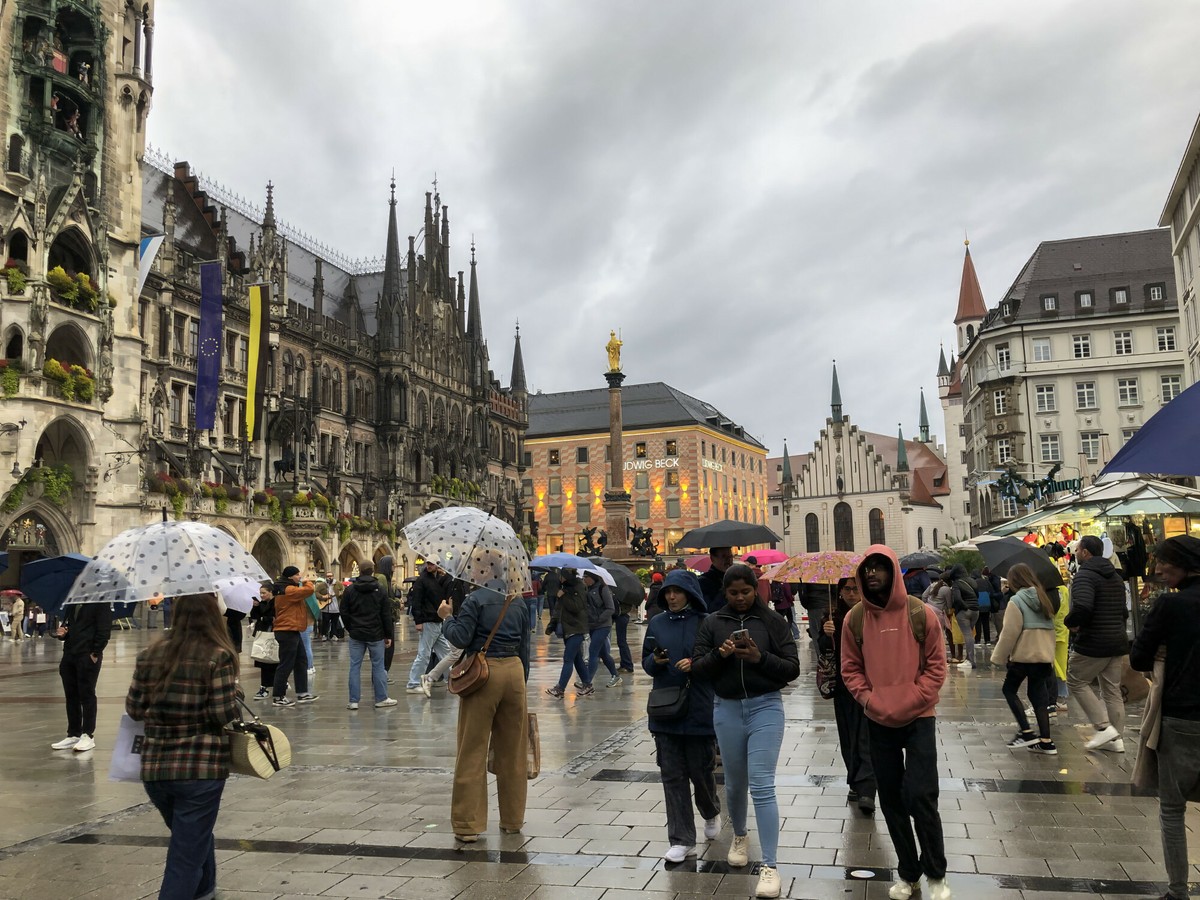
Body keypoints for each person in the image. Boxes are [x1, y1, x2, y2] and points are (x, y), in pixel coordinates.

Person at [840, 545, 950, 900]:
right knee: (890, 799)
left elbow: (936, 666)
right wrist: (870, 699)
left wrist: (917, 697)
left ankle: (935, 873)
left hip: (919, 717)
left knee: (921, 796)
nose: (872, 574)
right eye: (867, 568)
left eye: (879, 567)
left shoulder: (922, 614)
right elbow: (850, 668)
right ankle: (909, 872)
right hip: (878, 719)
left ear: (892, 571)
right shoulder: (855, 619)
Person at [691, 564, 800, 900]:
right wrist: (719, 654)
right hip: (727, 708)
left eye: (746, 592)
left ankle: (770, 866)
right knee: (735, 783)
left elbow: (792, 669)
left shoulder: (772, 622)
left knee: (762, 783)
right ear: (725, 593)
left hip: (765, 707)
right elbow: (697, 669)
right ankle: (739, 835)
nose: (740, 598)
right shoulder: (712, 622)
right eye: (734, 593)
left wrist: (759, 657)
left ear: (756, 590)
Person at [125, 593, 240, 900]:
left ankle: (206, 892)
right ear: (212, 615)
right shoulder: (218, 655)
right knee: (185, 857)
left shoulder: (150, 654)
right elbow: (223, 714)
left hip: (156, 770)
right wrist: (234, 693)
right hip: (199, 769)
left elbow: (134, 709)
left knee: (193, 837)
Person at [1129, 535, 1200, 900]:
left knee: (1172, 809)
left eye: (1164, 562)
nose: (1157, 569)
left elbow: (1139, 660)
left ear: (1186, 563)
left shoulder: (1171, 608)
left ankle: (1177, 892)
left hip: (1182, 718)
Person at [438, 580, 530, 842]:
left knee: (472, 748)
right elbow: (525, 646)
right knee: (513, 750)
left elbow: (461, 637)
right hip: (514, 671)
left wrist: (446, 618)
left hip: (484, 673)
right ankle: (512, 819)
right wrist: (521, 680)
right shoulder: (518, 600)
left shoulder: (475, 600)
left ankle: (468, 825)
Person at [642, 569, 720, 862]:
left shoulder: (707, 622)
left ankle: (711, 809)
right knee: (672, 774)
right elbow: (647, 662)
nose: (672, 597)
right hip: (666, 707)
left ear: (689, 593)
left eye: (677, 592)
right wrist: (657, 660)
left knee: (701, 771)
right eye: (667, 593)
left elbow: (716, 661)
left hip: (698, 705)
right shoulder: (657, 623)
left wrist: (697, 664)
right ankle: (682, 838)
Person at [1065, 534, 1130, 752]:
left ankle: (1103, 728)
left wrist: (1071, 623)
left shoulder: (1085, 576)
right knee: (1112, 690)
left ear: (1085, 552)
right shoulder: (1116, 577)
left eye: (1077, 550)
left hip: (1094, 641)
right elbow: (1123, 611)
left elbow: (1082, 607)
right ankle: (1116, 740)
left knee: (1075, 680)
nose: (1075, 553)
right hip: (1117, 640)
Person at [819, 576, 876, 815]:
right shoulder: (831, 618)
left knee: (865, 736)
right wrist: (825, 634)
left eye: (856, 589)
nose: (852, 593)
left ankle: (867, 788)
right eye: (847, 589)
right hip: (843, 686)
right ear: (840, 592)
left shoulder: (871, 615)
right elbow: (823, 652)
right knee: (848, 735)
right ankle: (855, 779)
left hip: (869, 685)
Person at [990, 563, 1058, 755]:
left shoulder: (1016, 601)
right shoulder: (1043, 597)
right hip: (1043, 656)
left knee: (1009, 690)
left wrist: (998, 658)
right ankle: (1046, 741)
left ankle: (1027, 732)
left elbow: (1009, 633)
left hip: (1024, 657)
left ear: (1014, 581)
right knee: (1038, 697)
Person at [51, 599, 112, 753]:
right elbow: (70, 627)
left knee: (87, 694)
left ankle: (88, 734)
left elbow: (104, 630)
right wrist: (63, 634)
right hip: (70, 654)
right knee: (71, 695)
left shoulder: (101, 603)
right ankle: (73, 733)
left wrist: (95, 652)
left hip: (87, 655)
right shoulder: (73, 603)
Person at [340, 561, 396, 710]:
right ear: (372, 571)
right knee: (378, 666)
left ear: (360, 571)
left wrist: (350, 627)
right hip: (376, 634)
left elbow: (344, 611)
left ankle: (353, 701)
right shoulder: (381, 589)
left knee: (354, 666)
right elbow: (386, 614)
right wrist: (388, 634)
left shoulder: (350, 590)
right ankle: (381, 698)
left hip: (356, 633)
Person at [271, 566, 318, 707]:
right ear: (291, 577)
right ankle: (278, 696)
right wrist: (307, 582)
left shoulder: (286, 587)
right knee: (286, 664)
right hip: (286, 630)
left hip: (293, 629)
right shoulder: (288, 590)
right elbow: (309, 590)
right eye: (297, 575)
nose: (299, 577)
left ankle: (302, 693)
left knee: (301, 660)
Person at [407, 561, 455, 695]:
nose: (429, 566)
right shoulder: (422, 580)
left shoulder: (437, 578)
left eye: (432, 564)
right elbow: (416, 601)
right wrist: (418, 621)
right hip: (429, 620)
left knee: (446, 653)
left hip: (438, 620)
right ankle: (413, 683)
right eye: (428, 564)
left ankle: (452, 680)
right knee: (424, 653)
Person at [545, 567, 591, 698]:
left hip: (576, 628)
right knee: (577, 659)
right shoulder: (565, 588)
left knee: (568, 659)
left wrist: (563, 596)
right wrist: (552, 624)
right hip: (567, 628)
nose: (559, 577)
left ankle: (560, 688)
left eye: (561, 575)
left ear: (566, 576)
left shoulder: (578, 587)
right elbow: (558, 609)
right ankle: (587, 684)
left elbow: (577, 607)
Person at [581, 570, 621, 689]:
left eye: (586, 577)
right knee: (603, 653)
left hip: (603, 625)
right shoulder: (586, 589)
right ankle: (615, 675)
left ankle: (587, 681)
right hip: (592, 625)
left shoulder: (603, 589)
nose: (584, 579)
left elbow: (610, 608)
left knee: (593, 652)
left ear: (592, 578)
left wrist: (599, 618)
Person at [248, 582, 277, 700]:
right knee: (264, 661)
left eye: (264, 593)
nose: (262, 595)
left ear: (271, 592)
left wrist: (263, 618)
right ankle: (265, 686)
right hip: (262, 634)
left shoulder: (276, 603)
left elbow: (274, 618)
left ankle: (273, 684)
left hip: (272, 634)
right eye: (260, 593)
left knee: (273, 660)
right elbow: (254, 616)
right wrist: (255, 606)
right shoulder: (261, 603)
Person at [949, 566, 979, 670]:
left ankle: (970, 661)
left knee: (967, 635)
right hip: (976, 610)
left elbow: (957, 599)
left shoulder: (957, 583)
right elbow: (977, 595)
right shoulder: (973, 581)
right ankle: (968, 659)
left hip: (964, 611)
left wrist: (964, 606)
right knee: (970, 634)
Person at [614, 580, 639, 674]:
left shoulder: (623, 594)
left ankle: (627, 665)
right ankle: (625, 663)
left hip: (622, 616)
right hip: (621, 615)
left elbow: (624, 607)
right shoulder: (626, 591)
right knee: (621, 641)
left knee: (622, 641)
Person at [698, 546, 733, 613]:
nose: (728, 560)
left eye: (730, 556)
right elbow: (709, 610)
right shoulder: (703, 582)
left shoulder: (735, 577)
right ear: (712, 558)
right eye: (724, 556)